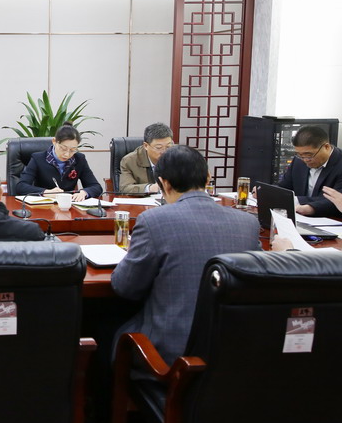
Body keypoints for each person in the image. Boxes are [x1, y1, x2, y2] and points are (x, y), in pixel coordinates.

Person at [110, 145, 261, 367]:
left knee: (106, 326)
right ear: (208, 178)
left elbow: (125, 287)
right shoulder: (248, 223)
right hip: (230, 352)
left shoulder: (153, 221)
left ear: (164, 183)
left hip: (170, 357)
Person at [13, 123, 103, 201]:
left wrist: (84, 192)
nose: (67, 154)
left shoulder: (79, 159)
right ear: (54, 141)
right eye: (63, 148)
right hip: (44, 206)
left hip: (69, 205)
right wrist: (46, 192)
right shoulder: (38, 158)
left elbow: (96, 187)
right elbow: (21, 186)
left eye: (72, 150)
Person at [275, 125, 342, 218]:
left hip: (328, 219)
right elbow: (284, 186)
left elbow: (337, 201)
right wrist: (269, 193)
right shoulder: (299, 160)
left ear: (326, 147)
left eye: (309, 155)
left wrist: (301, 203)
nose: (305, 160)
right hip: (298, 216)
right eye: (300, 155)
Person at [118, 122, 174, 193]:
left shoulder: (179, 156)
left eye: (168, 147)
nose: (164, 151)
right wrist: (150, 188)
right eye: (159, 147)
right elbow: (125, 188)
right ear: (146, 146)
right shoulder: (129, 161)